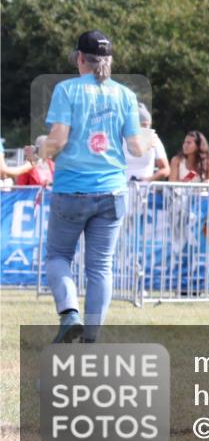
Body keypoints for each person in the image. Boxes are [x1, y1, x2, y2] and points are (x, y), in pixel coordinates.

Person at [42, 30, 146, 343]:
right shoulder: (126, 96)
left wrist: (40, 151)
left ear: (79, 59)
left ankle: (70, 313)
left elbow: (58, 140)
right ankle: (91, 340)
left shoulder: (66, 90)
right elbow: (137, 149)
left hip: (72, 189)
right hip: (112, 191)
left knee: (58, 257)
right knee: (100, 267)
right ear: (109, 61)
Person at [124, 103, 169, 183]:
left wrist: (148, 179)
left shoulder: (154, 139)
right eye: (143, 125)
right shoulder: (120, 138)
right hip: (121, 190)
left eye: (149, 125)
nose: (147, 128)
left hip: (144, 191)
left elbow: (166, 169)